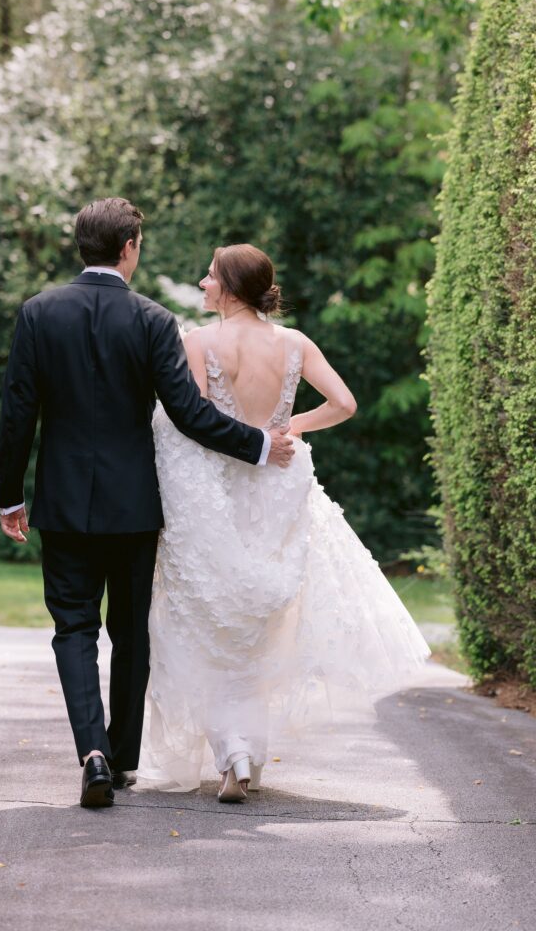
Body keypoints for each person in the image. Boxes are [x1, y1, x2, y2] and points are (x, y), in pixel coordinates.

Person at [0, 200, 295, 809]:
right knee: (130, 631)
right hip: (135, 505)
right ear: (129, 246)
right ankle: (123, 759)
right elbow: (189, 414)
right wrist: (258, 444)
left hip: (63, 501)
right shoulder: (154, 320)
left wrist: (8, 497)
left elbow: (17, 413)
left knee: (73, 627)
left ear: (84, 246)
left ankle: (93, 754)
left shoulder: (38, 313)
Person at [137, 243, 431, 801]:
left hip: (220, 491)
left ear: (228, 287)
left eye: (210, 276)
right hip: (276, 488)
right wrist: (291, 425)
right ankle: (243, 753)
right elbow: (343, 403)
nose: (202, 283)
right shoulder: (295, 344)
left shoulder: (198, 342)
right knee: (259, 629)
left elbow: (193, 422)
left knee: (213, 623)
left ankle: (234, 756)